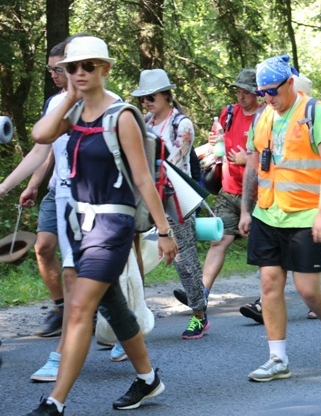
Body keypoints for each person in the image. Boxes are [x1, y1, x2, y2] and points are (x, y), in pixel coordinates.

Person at [27, 35, 177, 416]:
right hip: (79, 225)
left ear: (105, 69)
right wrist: (71, 98)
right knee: (112, 303)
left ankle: (54, 403)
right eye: (72, 67)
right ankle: (147, 379)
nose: (79, 73)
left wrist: (163, 231)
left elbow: (144, 180)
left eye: (88, 66)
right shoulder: (74, 113)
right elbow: (40, 135)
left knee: (79, 310)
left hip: (112, 225)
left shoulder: (122, 115)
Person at [238, 54, 321, 382]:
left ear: (289, 83)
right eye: (262, 94)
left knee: (308, 290)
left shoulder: (316, 113)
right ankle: (278, 359)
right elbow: (255, 166)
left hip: (306, 214)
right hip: (268, 213)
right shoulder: (262, 118)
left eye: (272, 91)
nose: (268, 99)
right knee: (269, 283)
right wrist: (245, 208)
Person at [172, 68, 261, 312]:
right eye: (238, 91)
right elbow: (218, 143)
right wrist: (212, 145)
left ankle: (266, 301)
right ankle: (200, 293)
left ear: (258, 93)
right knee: (219, 241)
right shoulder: (228, 113)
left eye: (246, 92)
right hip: (229, 188)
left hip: (258, 193)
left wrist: (248, 159)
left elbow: (277, 156)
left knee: (263, 247)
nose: (241, 96)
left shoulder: (266, 117)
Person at [131, 69, 209, 339]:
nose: (147, 102)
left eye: (151, 96)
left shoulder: (182, 123)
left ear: (166, 94)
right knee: (133, 250)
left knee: (184, 258)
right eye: (143, 98)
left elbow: (173, 161)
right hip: (146, 194)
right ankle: (134, 314)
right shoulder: (143, 121)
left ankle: (199, 314)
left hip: (174, 196)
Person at [0, 42, 68, 338]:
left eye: (58, 69)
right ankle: (63, 309)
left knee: (81, 263)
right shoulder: (54, 104)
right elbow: (45, 150)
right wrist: (26, 185)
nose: (53, 74)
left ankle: (101, 317)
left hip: (88, 195)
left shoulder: (105, 103)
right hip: (57, 189)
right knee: (43, 248)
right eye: (50, 69)